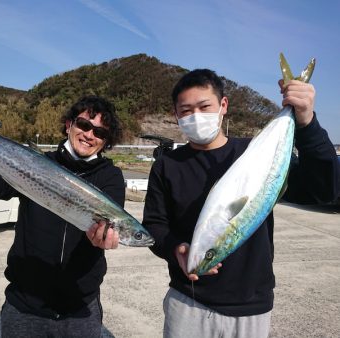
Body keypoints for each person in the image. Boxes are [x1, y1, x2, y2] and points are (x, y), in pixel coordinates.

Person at [142, 69, 339, 338]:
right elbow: (154, 225)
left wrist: (306, 123)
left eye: (204, 106)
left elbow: (323, 190)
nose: (195, 116)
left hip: (251, 306)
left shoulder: (255, 151)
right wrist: (174, 248)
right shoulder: (167, 165)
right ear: (176, 115)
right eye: (185, 110)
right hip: (188, 300)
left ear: (223, 105)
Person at [0, 96, 123, 337]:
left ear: (105, 141)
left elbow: (112, 221)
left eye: (100, 132)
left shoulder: (110, 177)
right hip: (25, 304)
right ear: (68, 125)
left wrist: (104, 237)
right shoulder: (37, 164)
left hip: (80, 308)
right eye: (84, 125)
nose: (89, 134)